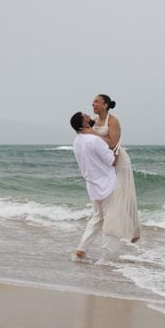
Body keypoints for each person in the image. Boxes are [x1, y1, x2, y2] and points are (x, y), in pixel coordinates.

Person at [79, 94, 142, 243]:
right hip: (106, 164)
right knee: (112, 198)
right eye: (92, 102)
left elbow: (113, 143)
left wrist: (93, 134)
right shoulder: (94, 122)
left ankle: (135, 230)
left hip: (120, 161)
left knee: (126, 195)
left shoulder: (113, 121)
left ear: (105, 105)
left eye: (96, 102)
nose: (93, 104)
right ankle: (112, 230)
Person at [69, 111, 123, 261]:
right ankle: (108, 257)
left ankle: (82, 249)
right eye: (87, 116)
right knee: (111, 220)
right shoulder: (94, 140)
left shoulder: (77, 141)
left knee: (97, 218)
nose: (90, 117)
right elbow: (112, 161)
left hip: (92, 185)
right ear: (84, 123)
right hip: (107, 184)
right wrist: (118, 150)